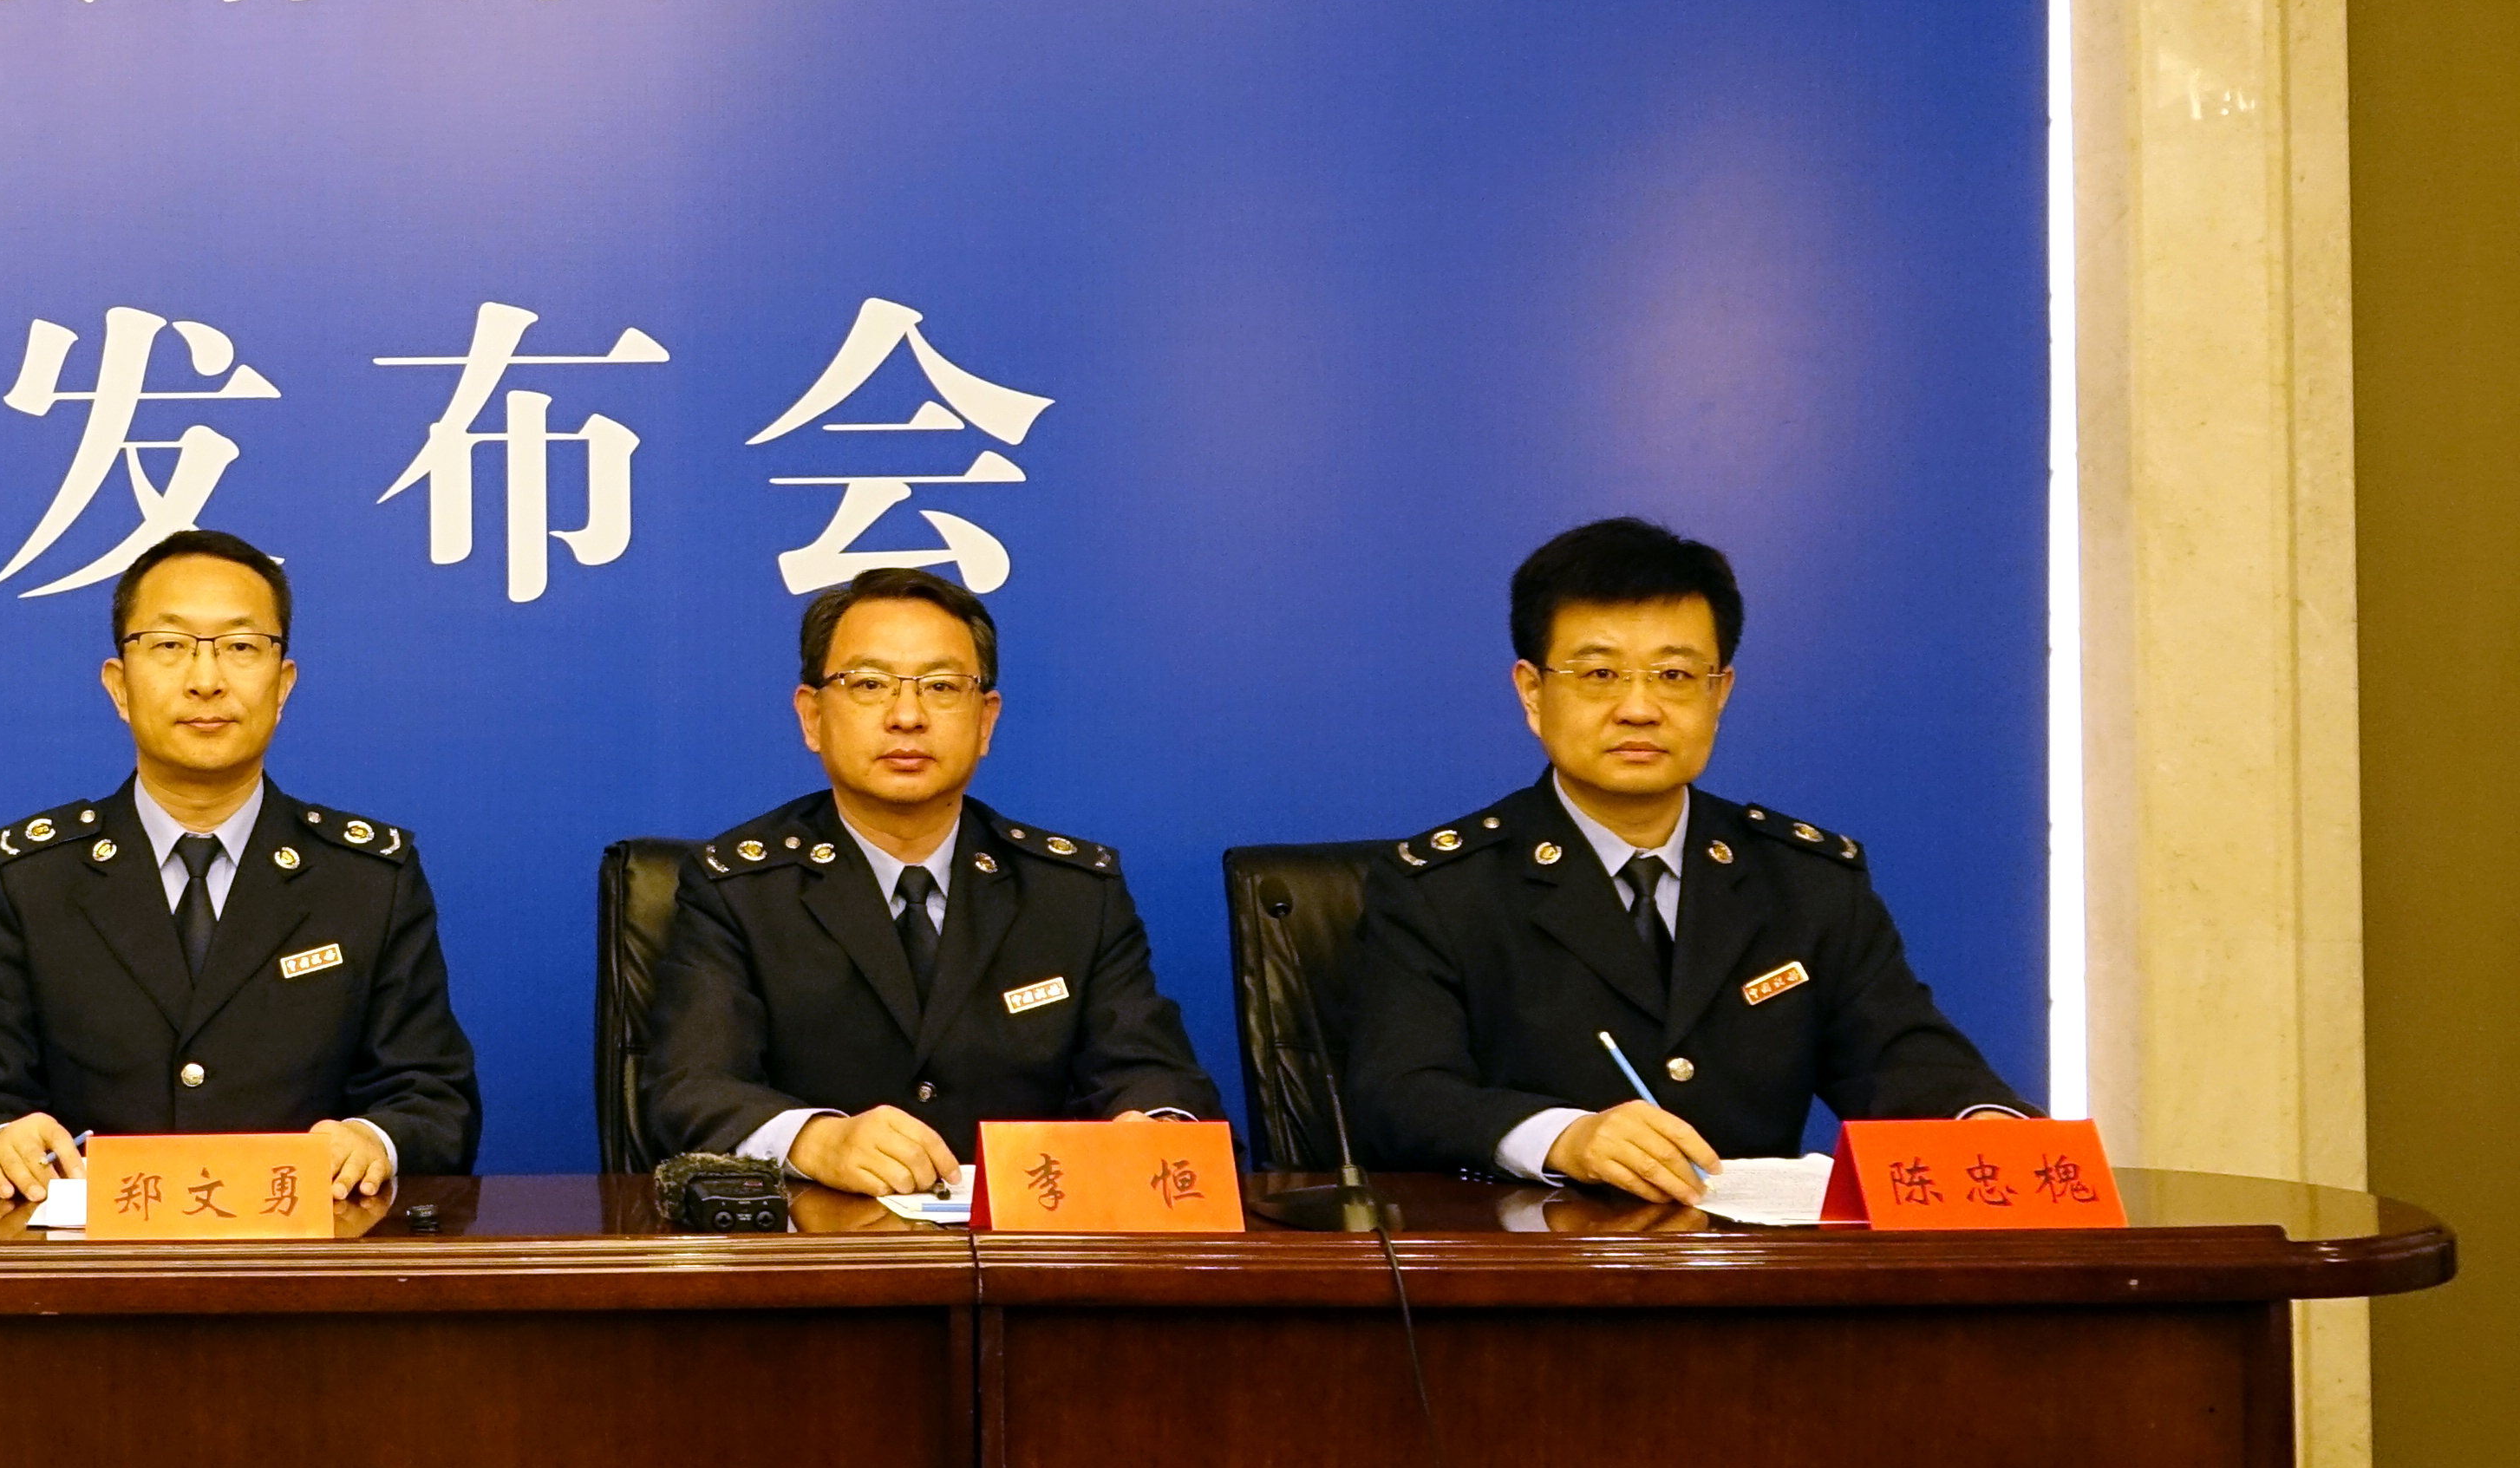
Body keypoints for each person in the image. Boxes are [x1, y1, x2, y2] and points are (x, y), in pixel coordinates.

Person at [1348, 515, 2029, 1204]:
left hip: (1756, 1261)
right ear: (1532, 692)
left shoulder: (1805, 882)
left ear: (1719, 692)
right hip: (1535, 1254)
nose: (1639, 708)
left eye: (1674, 674)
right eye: (1600, 674)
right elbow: (1400, 1094)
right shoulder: (1442, 889)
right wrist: (1564, 1138)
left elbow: (1907, 1061)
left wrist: (1986, 1127)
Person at [0, 528, 478, 1202]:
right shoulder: (28, 881)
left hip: (305, 1251)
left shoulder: (368, 881)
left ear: (283, 684)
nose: (207, 681)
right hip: (88, 1254)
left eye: (241, 647)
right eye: (169, 646)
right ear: (119, 686)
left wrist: (373, 1140)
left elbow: (434, 1100)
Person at [640, 567, 1218, 1192]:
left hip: (1027, 1237)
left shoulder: (1074, 893)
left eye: (941, 686)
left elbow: (1153, 1073)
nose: (907, 716)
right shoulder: (739, 890)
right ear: (811, 716)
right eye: (869, 684)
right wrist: (817, 1140)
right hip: (820, 1238)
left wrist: (1156, 1127)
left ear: (986, 720)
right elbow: (690, 1087)